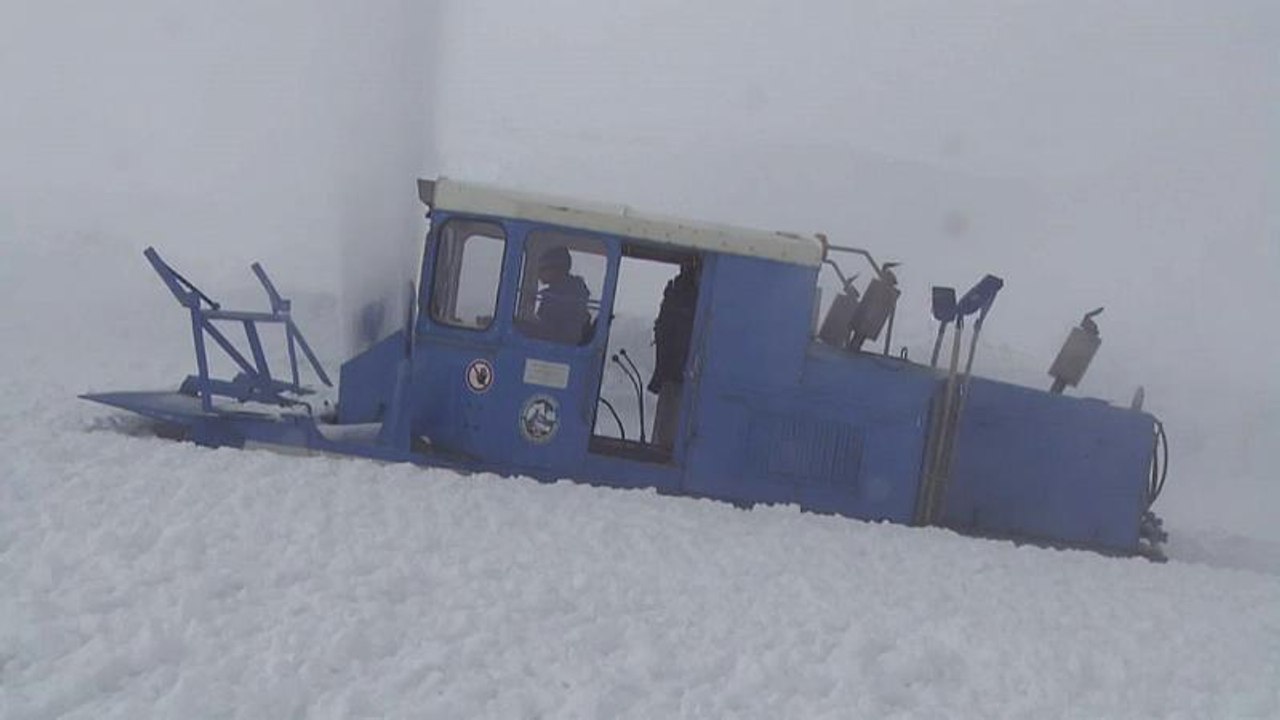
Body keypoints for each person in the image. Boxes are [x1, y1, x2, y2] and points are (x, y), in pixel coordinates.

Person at [648, 257, 698, 448]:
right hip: (675, 368)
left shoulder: (681, 292)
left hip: (677, 369)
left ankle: (663, 448)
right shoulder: (681, 291)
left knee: (669, 418)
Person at [527, 245, 590, 345]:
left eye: (543, 268)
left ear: (557, 269)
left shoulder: (563, 295)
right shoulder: (568, 290)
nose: (539, 273)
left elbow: (549, 329)